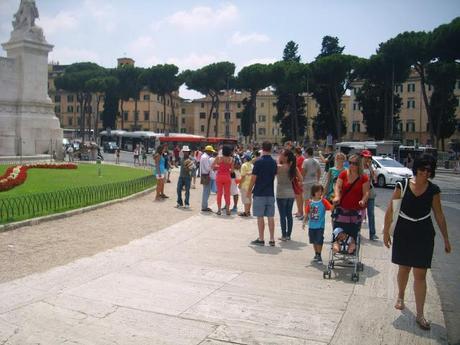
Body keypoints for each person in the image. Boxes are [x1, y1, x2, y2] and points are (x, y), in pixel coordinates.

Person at [383, 154, 451, 331]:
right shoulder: (403, 185)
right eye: (422, 169)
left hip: (424, 232)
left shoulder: (434, 190)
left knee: (420, 274)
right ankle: (400, 295)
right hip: (404, 231)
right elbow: (390, 209)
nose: (425, 173)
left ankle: (420, 314)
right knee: (404, 268)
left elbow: (439, 214)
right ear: (416, 169)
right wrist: (385, 232)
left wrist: (446, 238)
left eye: (429, 170)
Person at [332, 153, 369, 254]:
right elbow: (338, 187)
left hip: (356, 210)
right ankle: (338, 244)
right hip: (342, 208)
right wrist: (337, 196)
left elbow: (366, 192)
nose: (352, 165)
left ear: (359, 165)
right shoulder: (343, 174)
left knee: (353, 231)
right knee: (339, 229)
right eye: (350, 163)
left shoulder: (364, 177)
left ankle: (351, 246)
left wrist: (363, 200)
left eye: (354, 163)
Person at [247, 141, 277, 246]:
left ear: (262, 148)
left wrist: (249, 191)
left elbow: (253, 179)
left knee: (260, 217)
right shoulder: (274, 162)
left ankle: (261, 238)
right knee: (270, 217)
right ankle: (272, 239)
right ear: (271, 148)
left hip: (259, 192)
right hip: (270, 192)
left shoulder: (258, 162)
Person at [303, 184, 333, 263]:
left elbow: (331, 208)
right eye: (318, 191)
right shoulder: (310, 202)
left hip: (320, 226)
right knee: (313, 241)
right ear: (313, 192)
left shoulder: (323, 201)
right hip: (311, 226)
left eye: (321, 191)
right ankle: (316, 254)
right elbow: (306, 212)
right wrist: (304, 222)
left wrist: (335, 203)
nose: (319, 193)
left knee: (319, 240)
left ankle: (319, 255)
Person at [276, 149, 300, 241]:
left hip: (281, 193)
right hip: (291, 193)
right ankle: (289, 235)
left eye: (281, 154)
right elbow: (301, 179)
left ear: (285, 157)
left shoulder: (279, 167)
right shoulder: (293, 167)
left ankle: (284, 235)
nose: (279, 155)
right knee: (289, 215)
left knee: (282, 215)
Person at [212, 145, 234, 216]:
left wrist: (219, 167)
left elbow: (212, 166)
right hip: (227, 177)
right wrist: (227, 169)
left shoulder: (218, 158)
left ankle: (219, 210)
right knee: (227, 194)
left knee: (219, 193)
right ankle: (227, 210)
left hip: (219, 177)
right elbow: (232, 171)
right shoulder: (231, 159)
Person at [361, 150, 378, 240]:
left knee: (371, 213)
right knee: (359, 213)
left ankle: (372, 234)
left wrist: (370, 167)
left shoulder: (370, 167)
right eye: (365, 157)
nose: (367, 159)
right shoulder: (358, 167)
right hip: (360, 192)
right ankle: (357, 232)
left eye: (368, 158)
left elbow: (375, 179)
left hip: (370, 191)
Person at [238, 153, 254, 217]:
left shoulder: (244, 165)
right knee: (249, 198)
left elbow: (243, 177)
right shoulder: (252, 165)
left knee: (245, 199)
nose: (242, 159)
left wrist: (240, 184)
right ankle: (248, 211)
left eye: (243, 158)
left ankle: (246, 212)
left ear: (245, 159)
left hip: (244, 184)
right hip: (251, 184)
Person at [200, 145, 215, 212]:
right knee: (206, 191)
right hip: (206, 175)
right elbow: (207, 168)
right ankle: (204, 207)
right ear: (208, 151)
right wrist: (213, 167)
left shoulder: (204, 156)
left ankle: (205, 206)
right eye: (211, 151)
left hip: (204, 175)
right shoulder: (206, 157)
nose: (212, 153)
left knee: (206, 191)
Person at [294, 147, 305, 219]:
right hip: (298, 179)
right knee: (298, 196)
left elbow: (298, 169)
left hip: (298, 179)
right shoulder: (302, 158)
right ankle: (299, 211)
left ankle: (300, 212)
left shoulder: (299, 159)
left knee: (299, 196)